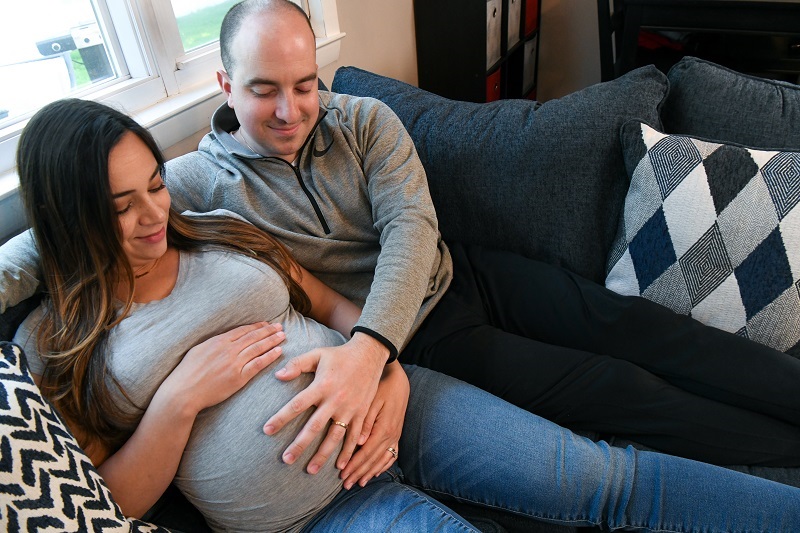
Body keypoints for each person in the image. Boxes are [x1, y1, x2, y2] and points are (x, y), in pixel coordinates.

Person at [2, 0, 800, 472]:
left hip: (463, 277)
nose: (290, 110)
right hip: (428, 339)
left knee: (650, 330)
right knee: (617, 393)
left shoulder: (364, 120)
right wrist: (383, 345)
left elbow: (412, 228)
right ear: (223, 86)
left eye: (305, 84)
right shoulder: (191, 184)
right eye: (263, 90)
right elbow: (51, 239)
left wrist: (365, 349)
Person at [10, 96, 800, 533]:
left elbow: (326, 302)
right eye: (121, 204)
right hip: (314, 513)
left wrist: (382, 366)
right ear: (66, 212)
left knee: (601, 475)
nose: (154, 211)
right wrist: (180, 397)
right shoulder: (56, 344)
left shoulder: (212, 230)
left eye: (154, 183)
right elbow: (112, 501)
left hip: (403, 400)